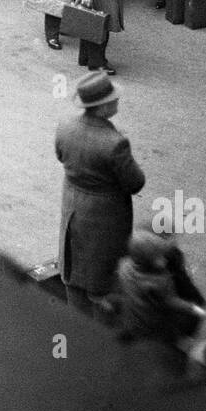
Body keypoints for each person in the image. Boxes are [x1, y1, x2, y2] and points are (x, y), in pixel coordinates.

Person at [55, 71, 147, 319]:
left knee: (73, 263)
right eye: (114, 98)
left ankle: (76, 318)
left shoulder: (65, 127)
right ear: (104, 106)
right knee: (103, 271)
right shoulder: (114, 143)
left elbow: (60, 156)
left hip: (73, 205)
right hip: (106, 216)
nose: (118, 101)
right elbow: (136, 182)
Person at [109, 231, 206, 348]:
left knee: (134, 326)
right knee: (164, 332)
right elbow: (170, 301)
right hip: (151, 321)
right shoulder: (158, 282)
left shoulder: (124, 265)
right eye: (159, 258)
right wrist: (192, 308)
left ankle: (123, 339)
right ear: (147, 262)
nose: (164, 260)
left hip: (131, 312)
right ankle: (171, 347)